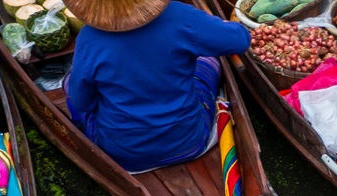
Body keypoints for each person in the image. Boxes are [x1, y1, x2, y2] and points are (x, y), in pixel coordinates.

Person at [62, 0, 248, 174]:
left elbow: (82, 102)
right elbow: (240, 40)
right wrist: (218, 24)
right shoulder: (180, 15)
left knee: (70, 82)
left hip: (124, 154)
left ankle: (82, 128)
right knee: (208, 60)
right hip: (188, 142)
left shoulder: (88, 38)